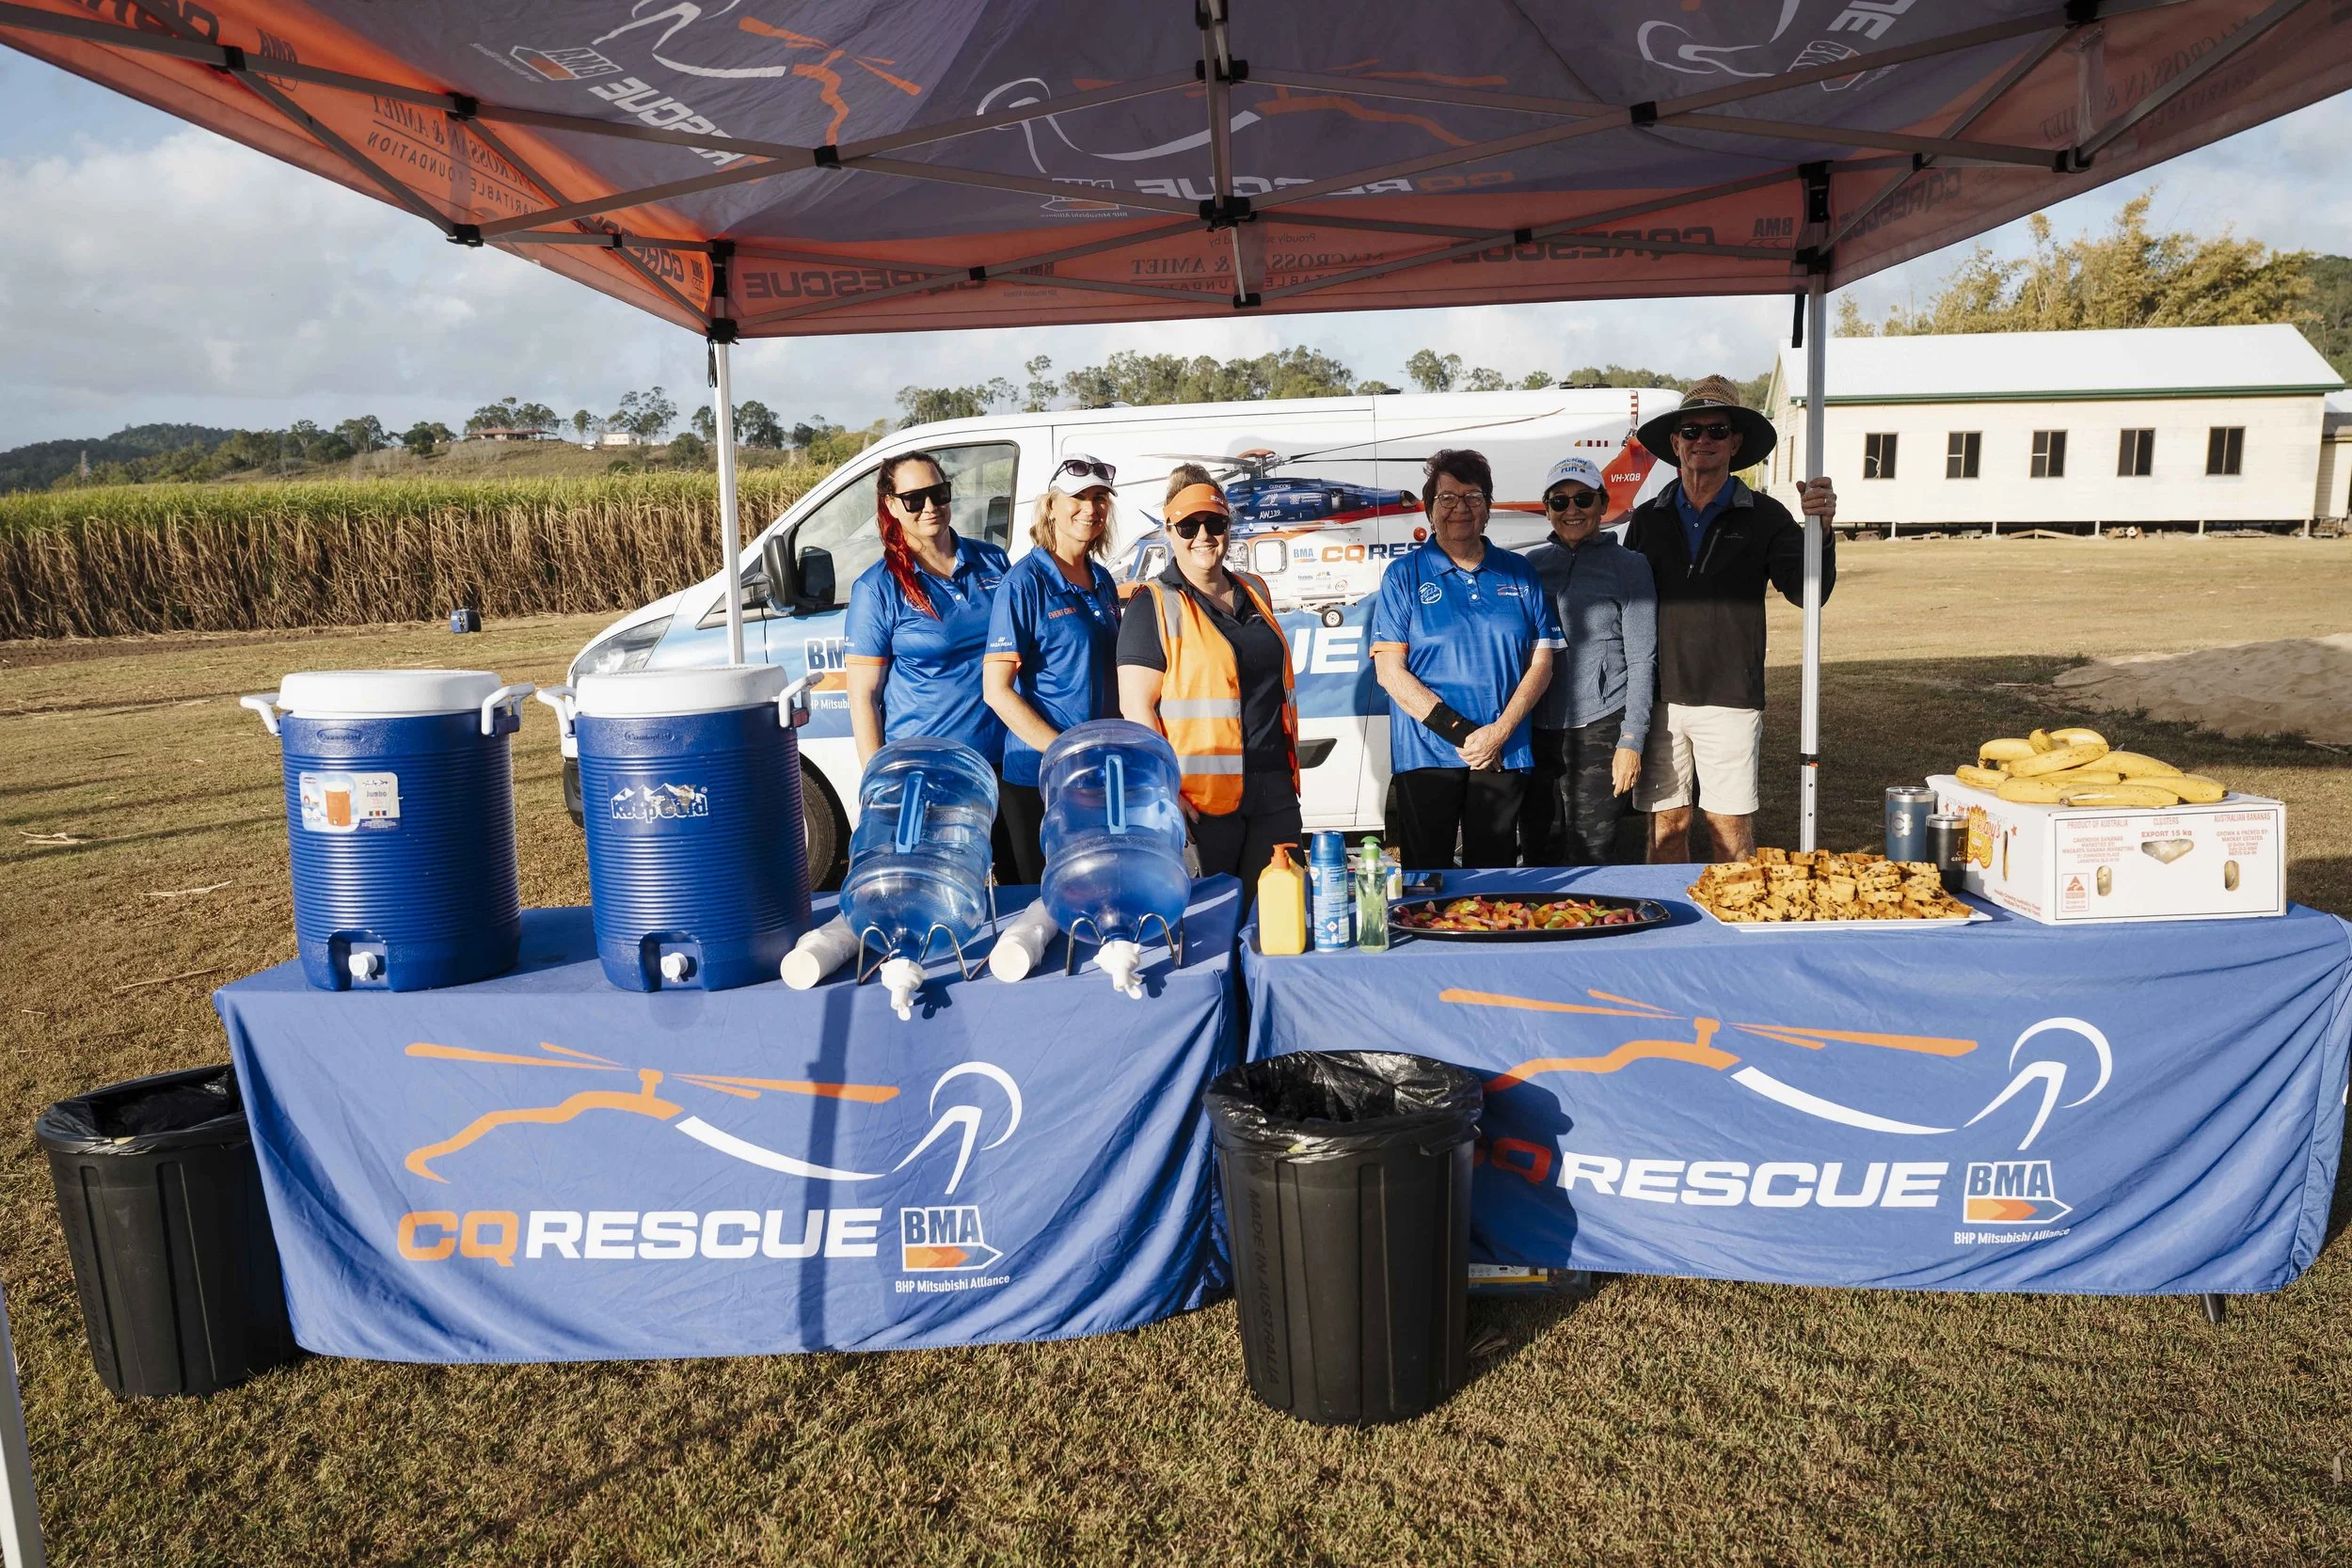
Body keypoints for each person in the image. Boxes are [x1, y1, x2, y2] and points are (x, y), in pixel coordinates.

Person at [1622, 376, 1837, 863]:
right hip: (1659, 699)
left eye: (1717, 430)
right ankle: (1668, 927)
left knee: (1728, 830)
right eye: (1691, 431)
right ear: (1675, 442)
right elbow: (1625, 608)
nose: (1703, 441)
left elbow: (1810, 592)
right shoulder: (1647, 519)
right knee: (1666, 829)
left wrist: (1820, 532)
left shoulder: (1767, 515)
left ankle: (1735, 927)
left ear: (1735, 442)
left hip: (1731, 697)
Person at [1370, 449, 1561, 870]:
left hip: (1505, 751)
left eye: (1473, 497)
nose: (1461, 508)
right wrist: (1468, 737)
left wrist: (1499, 733)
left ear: (1489, 508)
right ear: (1429, 510)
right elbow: (1389, 672)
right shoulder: (1403, 576)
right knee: (1428, 881)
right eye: (1447, 498)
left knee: (1494, 880)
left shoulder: (1519, 572)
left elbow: (1542, 663)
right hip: (1428, 754)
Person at [1117, 475, 1301, 898]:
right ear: (1169, 532)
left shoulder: (1254, 590)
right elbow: (1137, 709)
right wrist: (1165, 792)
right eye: (1188, 526)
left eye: (1214, 523)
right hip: (1202, 804)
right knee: (1213, 924)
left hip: (1273, 790)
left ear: (1228, 528)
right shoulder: (1154, 603)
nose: (1203, 535)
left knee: (1281, 918)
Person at [843, 450, 1017, 871]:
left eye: (938, 493)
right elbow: (863, 696)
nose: (929, 508)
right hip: (927, 776)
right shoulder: (877, 589)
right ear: (890, 506)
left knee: (1019, 898)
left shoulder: (992, 561)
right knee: (939, 898)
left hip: (1005, 764)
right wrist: (880, 784)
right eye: (914, 499)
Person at [983, 454, 1123, 883]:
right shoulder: (1025, 583)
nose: (1091, 508)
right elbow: (996, 690)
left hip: (1098, 771)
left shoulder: (1102, 579)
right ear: (1051, 506)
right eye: (1078, 497)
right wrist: (1062, 750)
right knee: (1040, 906)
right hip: (1039, 778)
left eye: (1100, 498)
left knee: (1095, 891)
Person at [1522, 456, 1657, 866]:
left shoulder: (1630, 566)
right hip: (1537, 729)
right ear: (1546, 509)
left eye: (1582, 498)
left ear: (1602, 503)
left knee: (1591, 852)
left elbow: (1642, 658)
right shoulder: (1529, 567)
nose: (1572, 510)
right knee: (1539, 850)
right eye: (1559, 501)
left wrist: (1631, 742)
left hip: (1601, 725)